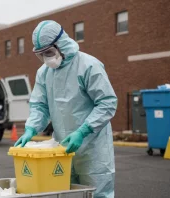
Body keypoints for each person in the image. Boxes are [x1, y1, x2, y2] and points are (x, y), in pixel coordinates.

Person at [14, 20, 117, 198]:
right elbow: (40, 105)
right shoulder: (44, 73)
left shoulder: (89, 66)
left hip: (92, 149)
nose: (47, 58)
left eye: (49, 52)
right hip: (62, 150)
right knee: (64, 193)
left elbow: (107, 102)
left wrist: (83, 130)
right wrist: (31, 129)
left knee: (96, 194)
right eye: (42, 54)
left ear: (61, 44)